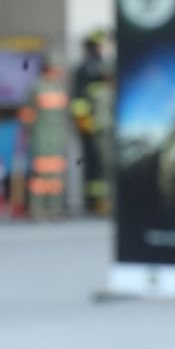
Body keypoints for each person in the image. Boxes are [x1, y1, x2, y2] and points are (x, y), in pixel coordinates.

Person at [20, 60, 70, 220]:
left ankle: (55, 208)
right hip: (41, 138)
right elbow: (27, 113)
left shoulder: (61, 88)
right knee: (40, 176)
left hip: (57, 138)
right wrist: (28, 133)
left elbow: (64, 115)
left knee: (56, 176)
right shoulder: (37, 87)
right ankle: (37, 209)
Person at [70, 31, 113, 214]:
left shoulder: (106, 66)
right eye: (97, 46)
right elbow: (79, 101)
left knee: (106, 164)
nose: (100, 49)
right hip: (92, 126)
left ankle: (105, 199)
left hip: (106, 126)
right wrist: (84, 122)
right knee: (94, 164)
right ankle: (94, 201)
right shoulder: (84, 69)